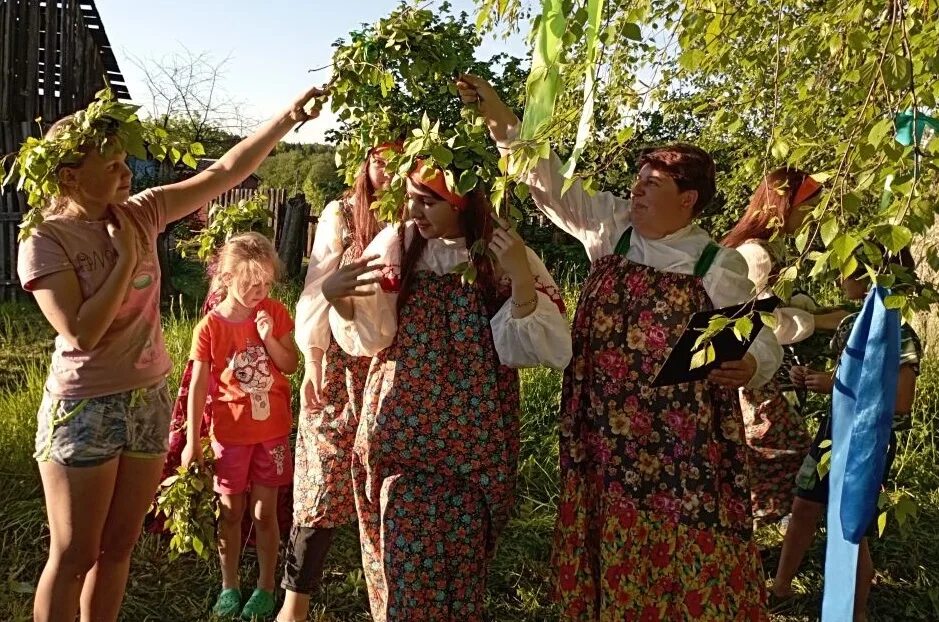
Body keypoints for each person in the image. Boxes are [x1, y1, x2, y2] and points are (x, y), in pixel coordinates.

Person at [459, 73, 781, 620]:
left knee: (677, 551)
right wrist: (496, 113)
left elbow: (762, 339)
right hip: (603, 431)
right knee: (606, 533)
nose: (636, 191)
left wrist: (750, 363)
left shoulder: (716, 265)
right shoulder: (613, 230)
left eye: (652, 184)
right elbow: (546, 178)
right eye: (638, 180)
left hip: (678, 448)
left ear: (687, 199)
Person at [17, 85, 323, 622]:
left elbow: (223, 172)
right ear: (69, 177)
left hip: (148, 399)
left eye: (125, 161)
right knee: (75, 554)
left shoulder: (142, 212)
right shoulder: (46, 239)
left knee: (118, 548)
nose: (127, 173)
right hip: (85, 407)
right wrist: (125, 258)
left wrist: (286, 119)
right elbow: (83, 332)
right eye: (111, 166)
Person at [322, 159, 572, 621]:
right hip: (402, 435)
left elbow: (538, 349)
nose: (414, 210)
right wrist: (339, 301)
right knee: (403, 564)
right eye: (411, 199)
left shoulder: (495, 252)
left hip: (473, 448)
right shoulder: (398, 245)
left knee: (462, 572)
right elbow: (373, 337)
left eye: (428, 201)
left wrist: (519, 276)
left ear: (461, 203)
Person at [276, 142, 398, 622]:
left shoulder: (420, 217)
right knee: (321, 481)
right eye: (381, 161)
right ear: (365, 163)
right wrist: (312, 360)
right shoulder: (343, 214)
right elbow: (317, 287)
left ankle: (391, 600)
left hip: (395, 366)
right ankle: (294, 605)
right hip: (342, 366)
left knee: (386, 484)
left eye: (400, 162)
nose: (388, 172)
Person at [771, 247, 920, 621]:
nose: (840, 278)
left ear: (869, 276)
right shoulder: (852, 324)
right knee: (804, 505)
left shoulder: (899, 335)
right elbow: (845, 378)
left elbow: (900, 402)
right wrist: (812, 379)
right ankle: (780, 588)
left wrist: (836, 386)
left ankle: (855, 612)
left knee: (852, 527)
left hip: (867, 442)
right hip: (831, 434)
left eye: (847, 270)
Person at [722, 167, 851, 526]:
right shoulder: (756, 254)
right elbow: (757, 322)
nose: (814, 215)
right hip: (750, 370)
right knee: (782, 449)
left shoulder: (771, 248)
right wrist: (819, 321)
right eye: (808, 205)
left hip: (761, 371)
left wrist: (813, 309)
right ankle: (775, 523)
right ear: (784, 205)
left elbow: (777, 303)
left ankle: (769, 522)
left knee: (770, 451)